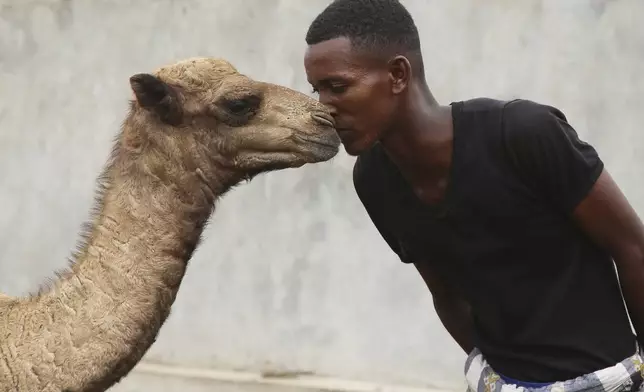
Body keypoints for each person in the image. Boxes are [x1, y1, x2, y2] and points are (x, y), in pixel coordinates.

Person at [303, 0, 644, 390]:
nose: (323, 109)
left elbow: (633, 247)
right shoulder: (375, 179)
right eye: (317, 90)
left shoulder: (521, 134)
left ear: (398, 75)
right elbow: (446, 295)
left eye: (338, 87)